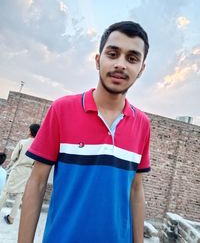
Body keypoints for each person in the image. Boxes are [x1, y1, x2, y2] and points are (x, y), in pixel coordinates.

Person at [18, 21, 151, 243]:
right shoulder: (62, 109)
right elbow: (37, 181)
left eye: (132, 58)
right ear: (98, 60)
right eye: (113, 53)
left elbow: (136, 190)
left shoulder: (142, 124)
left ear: (141, 69)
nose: (121, 64)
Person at [0, 123, 40, 224]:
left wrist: (10, 165)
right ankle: (11, 218)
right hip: (28, 171)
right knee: (19, 194)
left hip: (18, 168)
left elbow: (13, 157)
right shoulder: (38, 145)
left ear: (30, 131)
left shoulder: (23, 142)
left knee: (6, 191)